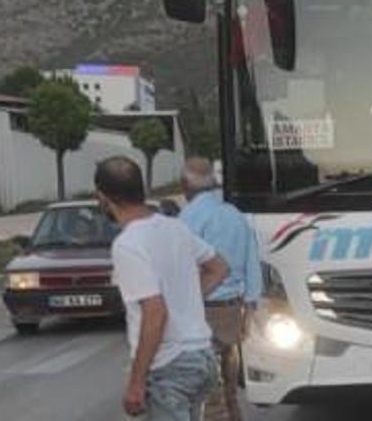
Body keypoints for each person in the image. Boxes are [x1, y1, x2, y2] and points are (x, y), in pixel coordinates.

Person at [95, 156, 227, 420]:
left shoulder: (127, 245)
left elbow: (155, 313)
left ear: (102, 196)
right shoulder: (175, 227)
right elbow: (219, 268)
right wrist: (186, 301)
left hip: (170, 365)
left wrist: (135, 382)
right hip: (202, 356)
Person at [178, 157, 263, 421]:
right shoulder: (234, 215)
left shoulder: (187, 219)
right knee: (229, 391)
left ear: (185, 185)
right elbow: (253, 265)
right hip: (232, 313)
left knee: (209, 397)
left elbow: (181, 270)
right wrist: (249, 311)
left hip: (202, 313)